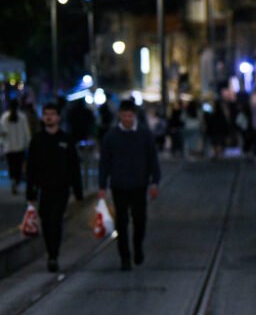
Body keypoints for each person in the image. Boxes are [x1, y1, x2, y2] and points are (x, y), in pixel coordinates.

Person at [99, 100, 161, 270]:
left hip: (139, 185)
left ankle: (137, 246)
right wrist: (102, 186)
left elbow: (152, 159)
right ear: (120, 115)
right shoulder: (111, 136)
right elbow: (105, 162)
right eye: (125, 115)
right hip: (119, 185)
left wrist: (155, 182)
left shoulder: (144, 134)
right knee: (121, 222)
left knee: (140, 219)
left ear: (134, 115)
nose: (127, 119)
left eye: (130, 116)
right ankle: (125, 256)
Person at [25, 101, 84, 272]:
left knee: (56, 220)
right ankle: (50, 251)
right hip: (43, 188)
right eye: (46, 114)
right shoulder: (37, 140)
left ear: (58, 117)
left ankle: (53, 255)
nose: (49, 117)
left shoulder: (66, 139)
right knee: (46, 220)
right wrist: (30, 192)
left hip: (61, 188)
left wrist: (78, 191)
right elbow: (31, 168)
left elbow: (74, 166)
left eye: (52, 114)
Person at [0, 100, 31, 195]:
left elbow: (2, 133)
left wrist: (1, 145)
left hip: (9, 147)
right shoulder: (22, 117)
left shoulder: (4, 117)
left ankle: (13, 180)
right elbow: (26, 131)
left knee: (11, 166)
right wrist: (28, 143)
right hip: (20, 146)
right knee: (18, 166)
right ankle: (16, 182)